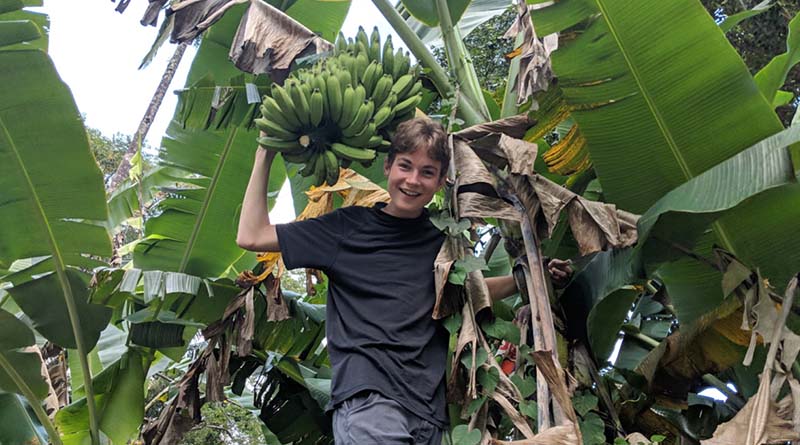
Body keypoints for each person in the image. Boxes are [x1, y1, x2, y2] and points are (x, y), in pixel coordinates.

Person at [237, 117, 571, 444]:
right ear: (387, 167)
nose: (413, 180)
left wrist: (528, 275)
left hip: (428, 412)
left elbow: (470, 291)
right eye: (405, 166)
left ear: (441, 182)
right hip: (370, 400)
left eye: (427, 172)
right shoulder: (346, 229)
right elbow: (252, 235)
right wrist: (264, 153)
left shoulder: (442, 241)